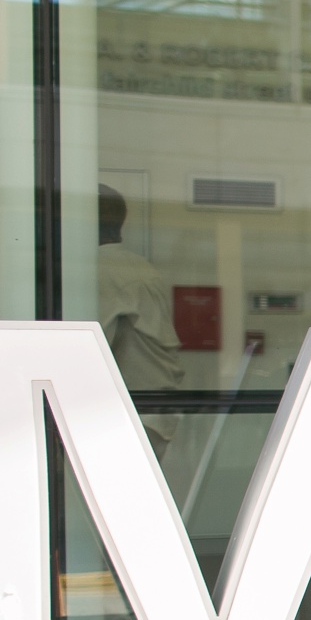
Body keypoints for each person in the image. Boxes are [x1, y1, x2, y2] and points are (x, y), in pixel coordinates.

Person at [94, 184, 185, 459]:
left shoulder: (101, 270)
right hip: (149, 415)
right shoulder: (136, 266)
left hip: (130, 417)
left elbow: (88, 352)